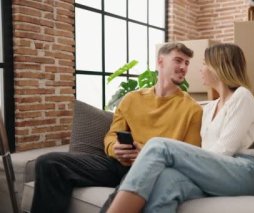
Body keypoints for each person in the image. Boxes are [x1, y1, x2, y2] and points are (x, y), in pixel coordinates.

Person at [30, 42, 203, 213]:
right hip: (118, 164)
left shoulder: (192, 109)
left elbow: (187, 156)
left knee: (120, 199)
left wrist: (146, 154)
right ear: (160, 62)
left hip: (149, 170)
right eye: (178, 61)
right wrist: (115, 147)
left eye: (187, 63)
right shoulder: (131, 99)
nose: (183, 67)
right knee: (49, 162)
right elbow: (112, 135)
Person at [107, 43, 254, 213]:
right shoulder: (208, 109)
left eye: (205, 63)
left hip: (247, 173)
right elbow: (203, 152)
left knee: (158, 146)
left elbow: (224, 151)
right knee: (167, 180)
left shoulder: (242, 96)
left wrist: (178, 159)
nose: (201, 69)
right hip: (216, 174)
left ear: (219, 66)